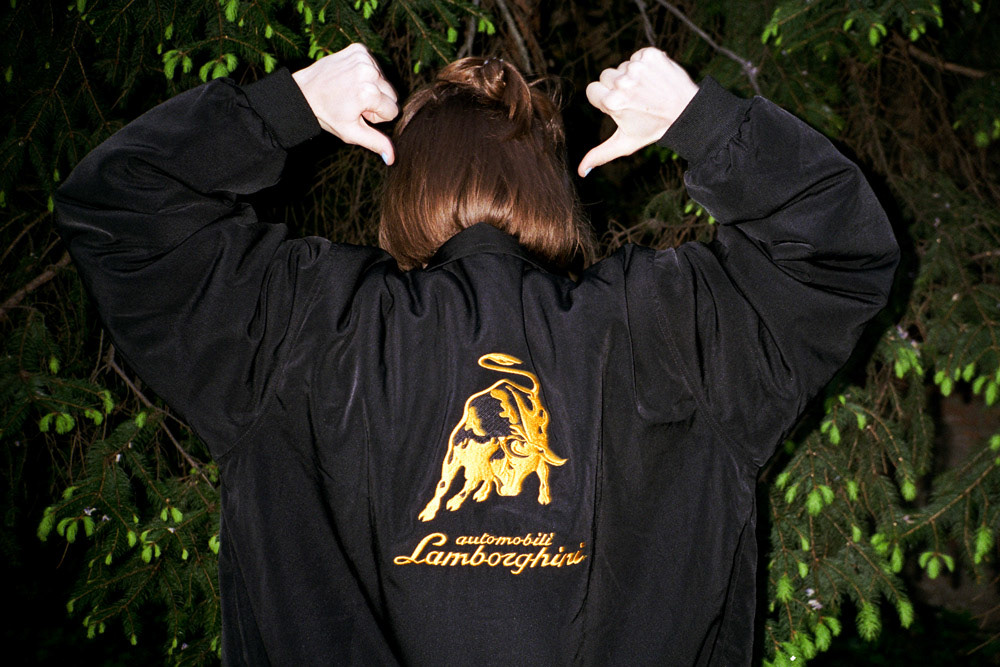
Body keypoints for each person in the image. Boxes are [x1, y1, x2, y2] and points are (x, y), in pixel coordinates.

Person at [54, 42, 899, 665]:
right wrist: (703, 122)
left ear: (405, 191)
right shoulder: (667, 330)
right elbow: (836, 254)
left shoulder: (300, 327)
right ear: (553, 193)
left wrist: (286, 106)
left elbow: (121, 208)